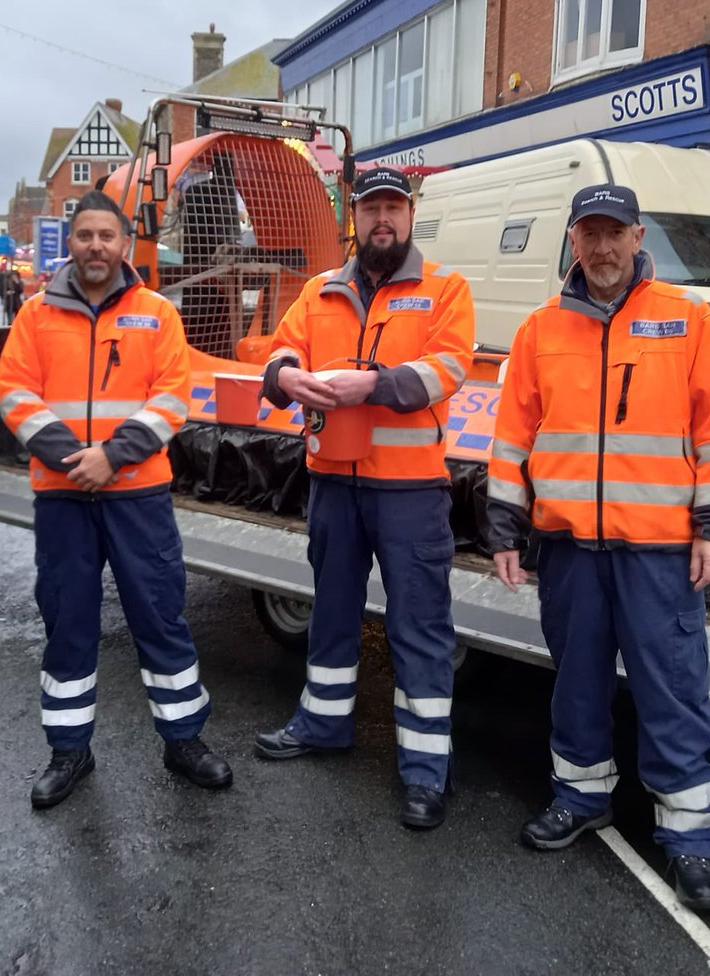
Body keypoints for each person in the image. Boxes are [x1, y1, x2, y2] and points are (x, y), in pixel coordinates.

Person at [486, 184, 710, 912]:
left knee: (672, 688)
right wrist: (504, 527)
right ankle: (580, 796)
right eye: (589, 234)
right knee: (576, 681)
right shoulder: (540, 331)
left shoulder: (688, 322)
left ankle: (691, 838)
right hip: (569, 548)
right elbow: (511, 438)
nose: (602, 248)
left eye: (615, 233)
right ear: (572, 241)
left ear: (639, 237)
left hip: (660, 552)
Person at [254, 167, 475, 830]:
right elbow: (278, 355)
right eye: (372, 208)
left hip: (409, 490)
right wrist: (286, 378)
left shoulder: (445, 288)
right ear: (355, 217)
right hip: (333, 482)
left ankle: (425, 770)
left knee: (420, 626)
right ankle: (323, 723)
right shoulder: (320, 291)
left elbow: (448, 368)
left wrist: (371, 384)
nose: (383, 219)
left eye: (393, 208)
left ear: (410, 216)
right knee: (331, 611)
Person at [0, 190, 231, 810]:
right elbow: (15, 393)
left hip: (137, 496)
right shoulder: (36, 315)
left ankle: (184, 740)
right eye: (85, 235)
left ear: (125, 243)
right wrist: (76, 459)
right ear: (71, 243)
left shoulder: (158, 313)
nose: (96, 246)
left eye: (107, 235)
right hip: (63, 496)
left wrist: (112, 457)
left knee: (160, 615)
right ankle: (69, 751)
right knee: (66, 621)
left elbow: (172, 397)